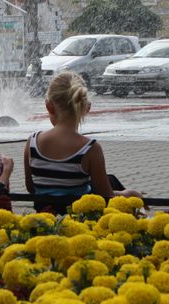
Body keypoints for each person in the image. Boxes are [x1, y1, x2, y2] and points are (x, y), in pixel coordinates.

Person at [23, 71, 142, 214]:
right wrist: (125, 194)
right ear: (87, 108)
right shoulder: (90, 148)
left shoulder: (33, 142)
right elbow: (105, 197)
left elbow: (31, 188)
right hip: (78, 219)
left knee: (111, 180)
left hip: (45, 218)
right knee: (112, 184)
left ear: (49, 106)